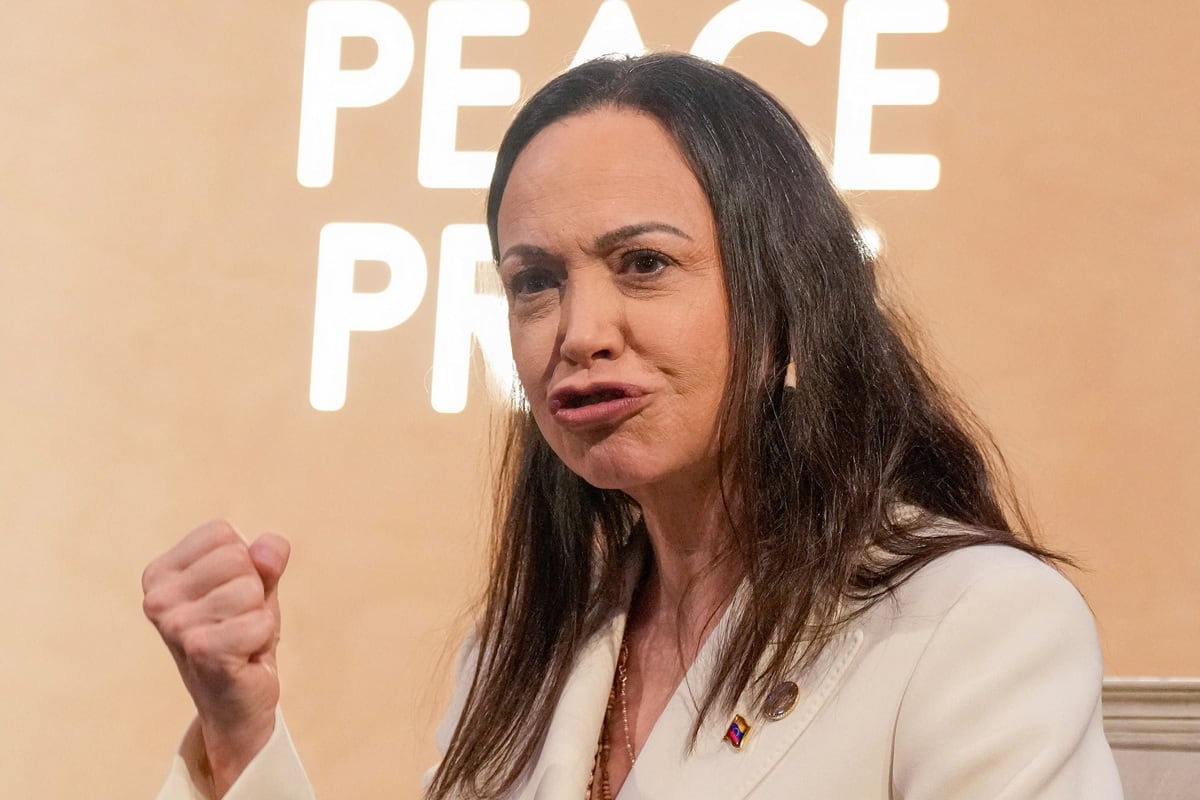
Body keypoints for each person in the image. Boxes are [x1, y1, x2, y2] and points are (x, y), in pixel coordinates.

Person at [143, 53, 1124, 799]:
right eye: (536, 281)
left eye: (643, 264)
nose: (580, 332)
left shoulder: (978, 622)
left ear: (785, 306)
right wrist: (240, 728)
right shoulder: (520, 650)